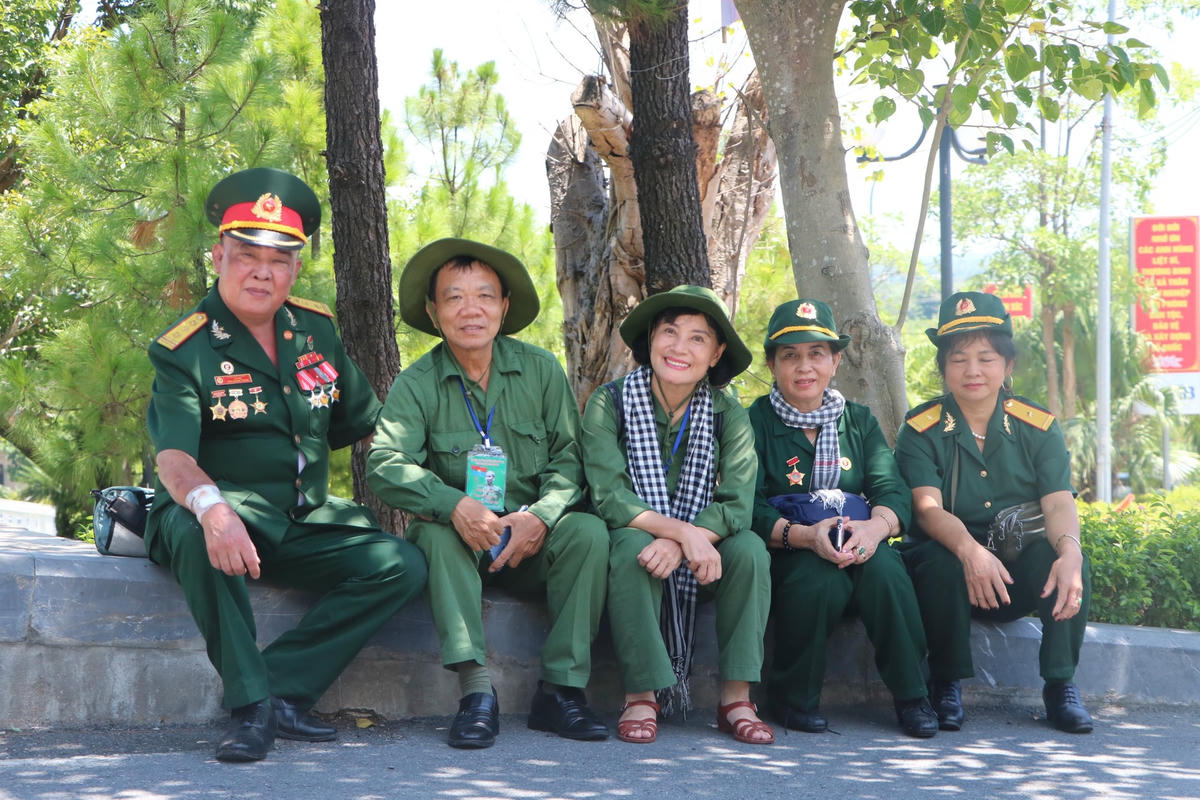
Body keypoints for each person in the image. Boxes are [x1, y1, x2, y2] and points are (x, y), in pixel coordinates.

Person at [145, 167, 428, 762]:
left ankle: (280, 690)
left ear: (295, 268)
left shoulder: (315, 331)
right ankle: (250, 709)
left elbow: (365, 423)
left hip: (301, 519)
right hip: (218, 510)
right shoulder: (185, 349)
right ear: (218, 256)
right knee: (197, 535)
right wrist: (211, 507)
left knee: (399, 564)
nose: (263, 272)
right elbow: (173, 459)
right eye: (247, 255)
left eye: (279, 259)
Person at [367, 238, 609, 749]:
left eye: (484, 296)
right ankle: (476, 693)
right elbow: (385, 464)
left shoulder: (541, 371)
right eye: (453, 298)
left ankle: (561, 693)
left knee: (587, 531)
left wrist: (540, 517)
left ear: (503, 306)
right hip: (464, 542)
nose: (470, 309)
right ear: (434, 313)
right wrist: (454, 504)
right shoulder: (416, 384)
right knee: (432, 536)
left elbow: (570, 458)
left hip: (532, 540)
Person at [581, 285, 774, 746]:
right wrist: (680, 533)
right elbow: (609, 495)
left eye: (697, 338)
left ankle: (736, 700)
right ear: (651, 340)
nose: (679, 347)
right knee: (631, 545)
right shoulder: (609, 403)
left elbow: (736, 503)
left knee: (749, 549)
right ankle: (641, 696)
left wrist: (684, 539)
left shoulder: (729, 414)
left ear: (716, 353)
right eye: (669, 332)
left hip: (702, 556)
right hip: (638, 542)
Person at [896, 291, 1092, 733]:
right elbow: (927, 510)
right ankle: (944, 683)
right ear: (943, 368)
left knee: (1063, 559)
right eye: (958, 358)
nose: (972, 371)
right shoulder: (921, 429)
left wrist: (1072, 554)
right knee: (941, 559)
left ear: (1008, 366)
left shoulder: (1036, 426)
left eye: (986, 358)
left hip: (1015, 576)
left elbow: (1059, 501)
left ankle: (1060, 684)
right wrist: (971, 551)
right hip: (947, 583)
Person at [747, 299, 938, 738]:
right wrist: (803, 535)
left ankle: (913, 696)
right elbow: (746, 502)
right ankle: (793, 699)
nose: (804, 366)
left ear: (835, 361)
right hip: (792, 547)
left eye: (816, 354)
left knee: (887, 570)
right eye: (790, 355)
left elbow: (890, 488)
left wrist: (876, 528)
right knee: (820, 579)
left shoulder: (859, 420)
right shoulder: (752, 422)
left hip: (859, 538)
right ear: (773, 364)